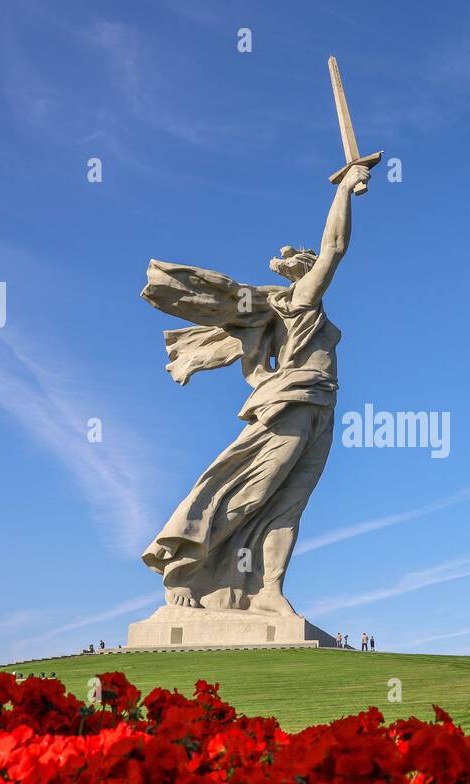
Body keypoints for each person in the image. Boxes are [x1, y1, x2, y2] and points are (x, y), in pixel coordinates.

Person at [139, 164, 371, 615]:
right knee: (251, 490)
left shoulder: (298, 311)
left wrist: (264, 382)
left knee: (288, 506)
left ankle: (268, 590)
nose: (318, 273)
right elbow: (336, 247)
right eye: (311, 268)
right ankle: (185, 564)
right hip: (294, 403)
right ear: (300, 276)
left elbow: (251, 367)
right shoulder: (300, 301)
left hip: (319, 403)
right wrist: (344, 189)